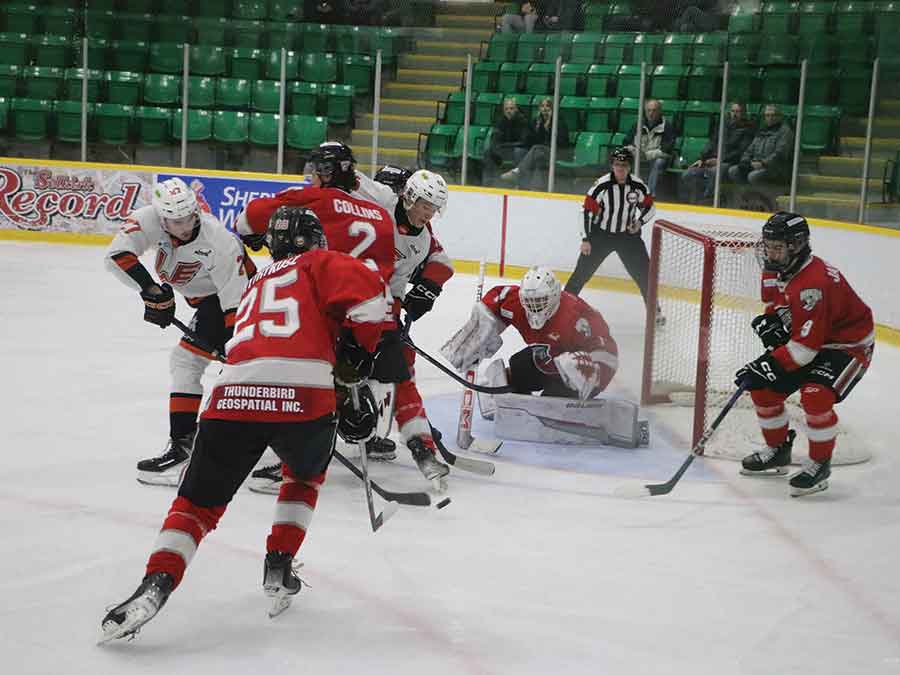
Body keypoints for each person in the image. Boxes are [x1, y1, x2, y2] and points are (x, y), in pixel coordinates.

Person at [99, 207, 390, 644]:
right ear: (314, 241)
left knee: (196, 507)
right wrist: (357, 355)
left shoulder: (255, 282)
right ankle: (279, 563)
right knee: (303, 478)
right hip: (304, 396)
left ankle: (155, 584)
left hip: (232, 392)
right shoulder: (321, 262)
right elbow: (372, 297)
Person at [234, 142, 397, 490]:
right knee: (352, 373)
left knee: (308, 373)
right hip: (373, 310)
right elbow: (391, 267)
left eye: (319, 170)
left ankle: (296, 459)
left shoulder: (315, 201)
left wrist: (258, 234)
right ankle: (369, 431)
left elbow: (247, 219)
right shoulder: (380, 212)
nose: (314, 176)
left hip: (327, 301)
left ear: (327, 171)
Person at [104, 177, 255, 486]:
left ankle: (184, 449)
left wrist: (235, 342)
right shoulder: (149, 218)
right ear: (162, 218)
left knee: (187, 362)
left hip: (241, 297)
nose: (185, 226)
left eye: (189, 217)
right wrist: (150, 290)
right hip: (207, 298)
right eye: (176, 220)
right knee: (189, 362)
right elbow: (117, 255)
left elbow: (234, 300)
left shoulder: (219, 241)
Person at [735, 212, 874, 497]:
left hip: (847, 345)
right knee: (762, 389)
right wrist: (772, 320)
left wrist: (769, 364)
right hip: (813, 337)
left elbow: (806, 350)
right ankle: (777, 451)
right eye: (768, 245)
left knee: (815, 396)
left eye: (777, 247)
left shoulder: (813, 284)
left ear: (797, 245)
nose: (770, 252)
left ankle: (820, 464)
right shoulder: (776, 266)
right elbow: (776, 303)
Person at [351, 168, 455, 488]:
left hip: (377, 307)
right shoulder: (381, 201)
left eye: (433, 208)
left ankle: (418, 446)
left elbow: (408, 280)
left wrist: (414, 298)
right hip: (341, 298)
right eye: (424, 204)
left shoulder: (422, 241)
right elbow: (348, 180)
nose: (428, 213)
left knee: (399, 369)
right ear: (408, 196)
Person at [442, 266, 618, 400]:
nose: (534, 308)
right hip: (549, 359)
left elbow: (607, 351)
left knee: (554, 396)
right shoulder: (516, 304)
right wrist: (482, 321)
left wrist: (594, 371)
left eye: (541, 301)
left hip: (577, 371)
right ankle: (517, 402)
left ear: (555, 295)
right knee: (517, 365)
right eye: (529, 301)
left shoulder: (576, 316)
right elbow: (498, 296)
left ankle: (563, 404)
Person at [563, 147, 660, 324]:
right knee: (580, 275)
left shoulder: (637, 186)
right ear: (612, 166)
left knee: (645, 276)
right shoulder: (601, 186)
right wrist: (585, 238)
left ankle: (655, 313)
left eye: (623, 165)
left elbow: (650, 207)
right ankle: (562, 310)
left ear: (629, 166)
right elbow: (586, 212)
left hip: (628, 238)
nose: (620, 169)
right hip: (601, 236)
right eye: (616, 165)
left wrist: (639, 222)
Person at [680, 101, 756, 204]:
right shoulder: (723, 125)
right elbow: (712, 142)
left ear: (744, 113)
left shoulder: (748, 129)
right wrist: (701, 159)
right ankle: (695, 200)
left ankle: (708, 199)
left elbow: (740, 151)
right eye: (733, 111)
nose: (734, 114)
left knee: (714, 172)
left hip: (730, 162)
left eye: (738, 111)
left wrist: (719, 160)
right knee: (688, 174)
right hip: (712, 160)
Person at [500, 97, 570, 191]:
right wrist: (538, 128)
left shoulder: (559, 122)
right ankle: (528, 187)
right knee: (522, 152)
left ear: (553, 109)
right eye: (542, 106)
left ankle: (518, 172)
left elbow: (562, 143)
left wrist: (548, 128)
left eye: (548, 106)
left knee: (537, 150)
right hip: (540, 152)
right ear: (539, 109)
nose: (545, 109)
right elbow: (530, 140)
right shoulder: (537, 121)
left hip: (557, 152)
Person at [728, 104, 795, 187]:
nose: (770, 118)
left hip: (775, 168)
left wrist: (763, 163)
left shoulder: (785, 131)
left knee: (753, 176)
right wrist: (745, 161)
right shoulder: (762, 130)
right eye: (767, 115)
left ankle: (762, 198)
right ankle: (748, 195)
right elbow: (749, 150)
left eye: (773, 115)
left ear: (780, 116)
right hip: (756, 164)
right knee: (733, 171)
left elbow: (780, 153)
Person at [623, 98, 676, 196]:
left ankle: (649, 194)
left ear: (659, 111)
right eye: (649, 110)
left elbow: (667, 150)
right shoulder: (638, 124)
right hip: (639, 155)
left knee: (658, 162)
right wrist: (632, 149)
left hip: (657, 157)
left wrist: (646, 155)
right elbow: (626, 141)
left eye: (654, 110)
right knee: (622, 158)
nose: (651, 113)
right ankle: (626, 190)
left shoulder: (667, 126)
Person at [484, 98, 531, 185]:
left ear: (516, 109)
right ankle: (488, 183)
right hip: (505, 149)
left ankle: (521, 184)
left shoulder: (523, 121)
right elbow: (494, 138)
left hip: (520, 150)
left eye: (511, 108)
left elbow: (524, 142)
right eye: (506, 109)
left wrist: (504, 145)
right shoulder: (500, 121)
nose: (509, 111)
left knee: (518, 152)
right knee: (488, 152)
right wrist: (496, 149)